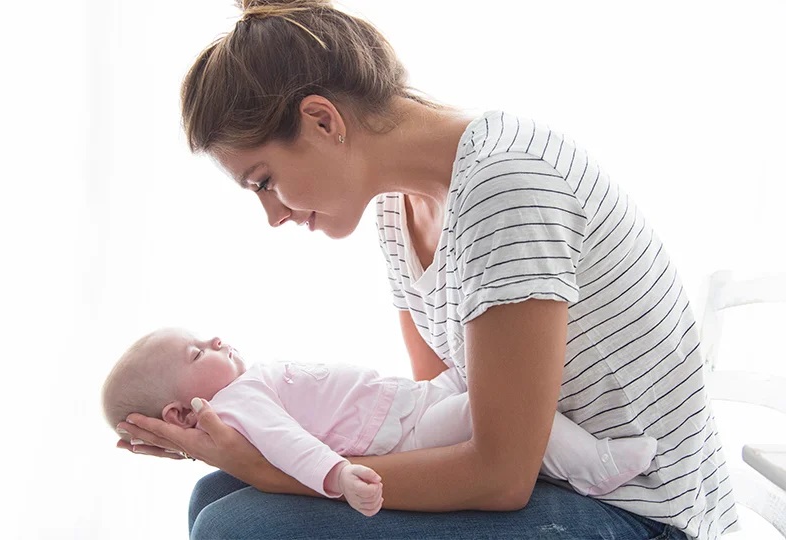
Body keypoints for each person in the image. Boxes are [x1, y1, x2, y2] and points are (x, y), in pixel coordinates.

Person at [114, 1, 737, 538]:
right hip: (551, 483)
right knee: (215, 496)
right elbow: (438, 412)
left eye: (265, 181)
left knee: (239, 524)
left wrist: (272, 467)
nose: (273, 215)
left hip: (645, 511)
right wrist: (254, 430)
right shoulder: (396, 211)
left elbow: (498, 476)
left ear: (323, 120)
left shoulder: (503, 186)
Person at [103, 328, 659, 517]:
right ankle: (593, 465)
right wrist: (340, 476)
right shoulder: (235, 406)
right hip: (403, 436)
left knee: (478, 384)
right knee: (490, 406)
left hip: (410, 404)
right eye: (198, 354)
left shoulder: (235, 400)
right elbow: (289, 445)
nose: (217, 341)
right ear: (179, 413)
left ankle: (573, 455)